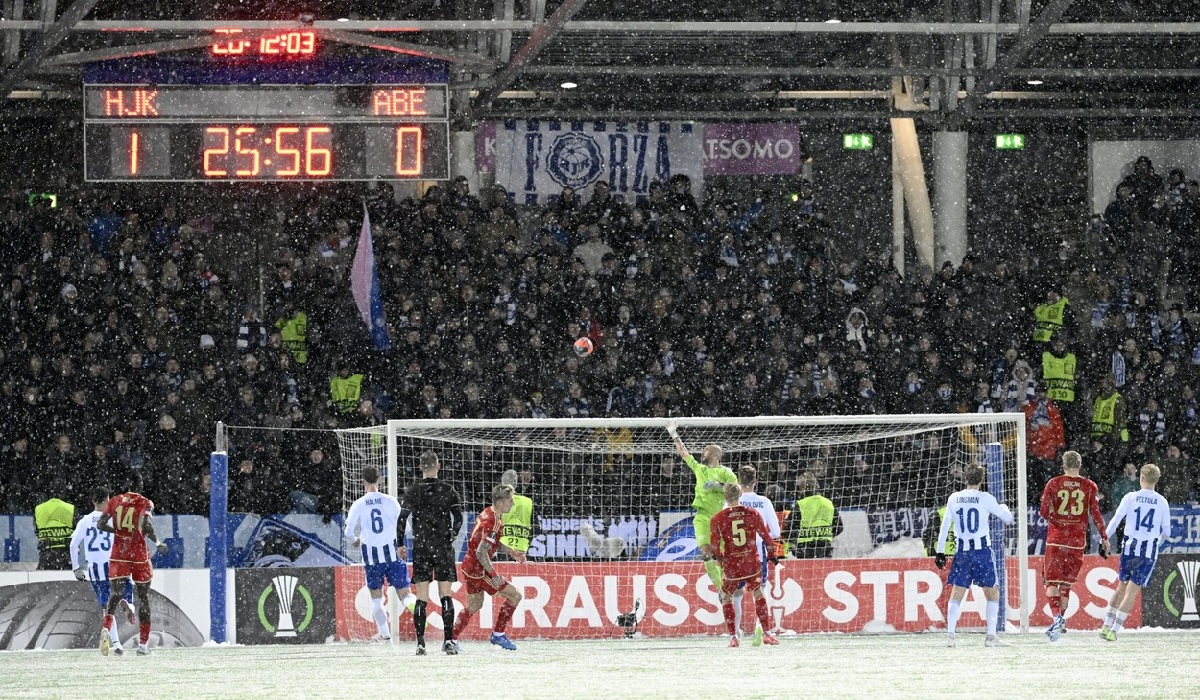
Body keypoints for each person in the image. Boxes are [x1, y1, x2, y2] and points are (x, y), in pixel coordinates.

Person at [935, 465, 1015, 648]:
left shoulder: (954, 498)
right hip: (981, 552)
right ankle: (991, 637)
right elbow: (1008, 519)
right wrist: (1003, 506)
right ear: (981, 480)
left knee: (957, 592)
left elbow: (945, 526)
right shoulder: (986, 498)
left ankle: (950, 636)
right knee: (992, 593)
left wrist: (940, 551)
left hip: (962, 552)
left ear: (965, 479)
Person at [1039, 450, 1110, 641]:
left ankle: (1057, 619)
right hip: (1077, 542)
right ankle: (1059, 624)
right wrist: (1104, 537)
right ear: (1079, 465)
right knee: (1065, 586)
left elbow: (1044, 512)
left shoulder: (1054, 483)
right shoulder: (1089, 486)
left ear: (1063, 465)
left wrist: (1058, 519)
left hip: (1056, 540)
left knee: (1052, 583)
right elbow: (1096, 515)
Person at [398, 450, 464, 655]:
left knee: (422, 597)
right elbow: (459, 517)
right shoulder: (448, 489)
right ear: (439, 465)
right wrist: (452, 533)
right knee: (446, 595)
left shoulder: (412, 490)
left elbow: (402, 518)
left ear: (420, 467)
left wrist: (400, 543)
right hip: (443, 546)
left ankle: (420, 644)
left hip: (422, 546)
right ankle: (448, 641)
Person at [96, 472, 168, 656]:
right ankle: (143, 645)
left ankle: (106, 625)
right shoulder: (145, 502)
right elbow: (145, 524)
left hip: (119, 553)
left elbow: (101, 525)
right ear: (140, 484)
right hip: (138, 553)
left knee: (116, 593)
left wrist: (119, 531)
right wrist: (158, 542)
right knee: (143, 597)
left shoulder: (115, 501)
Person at [1100, 463, 1171, 641]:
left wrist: (1104, 539)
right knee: (1132, 591)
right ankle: (1114, 631)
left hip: (1129, 547)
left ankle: (1105, 625)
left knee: (1121, 586)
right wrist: (1157, 542)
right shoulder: (1162, 501)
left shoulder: (1130, 497)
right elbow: (1167, 532)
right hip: (1147, 551)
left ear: (1141, 478)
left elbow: (1116, 520)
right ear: (1157, 480)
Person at [344, 466, 415, 643]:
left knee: (376, 598)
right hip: (392, 553)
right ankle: (415, 608)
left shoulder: (359, 504)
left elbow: (348, 532)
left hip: (372, 557)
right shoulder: (390, 501)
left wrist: (354, 540)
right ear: (379, 480)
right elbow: (406, 528)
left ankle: (385, 636)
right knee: (405, 594)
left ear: (363, 482)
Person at [452, 485, 527, 651]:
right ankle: (498, 634)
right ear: (500, 502)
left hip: (469, 566)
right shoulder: (493, 522)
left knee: (474, 606)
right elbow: (481, 552)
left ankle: (451, 639)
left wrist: (511, 552)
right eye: (510, 500)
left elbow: (488, 544)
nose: (513, 504)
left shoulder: (488, 513)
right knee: (515, 595)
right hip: (479, 570)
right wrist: (493, 575)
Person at [666, 419, 737, 589]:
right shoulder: (700, 469)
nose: (702, 453)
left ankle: (729, 585)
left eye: (706, 451)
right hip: (702, 517)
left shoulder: (726, 472)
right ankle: (722, 589)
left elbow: (737, 491)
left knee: (722, 556)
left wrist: (718, 486)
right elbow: (684, 454)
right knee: (706, 554)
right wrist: (674, 435)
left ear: (715, 455)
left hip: (721, 518)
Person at [710, 483, 779, 647]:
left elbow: (714, 546)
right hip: (751, 563)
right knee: (758, 592)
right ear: (740, 494)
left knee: (727, 596)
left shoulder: (717, 518)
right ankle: (767, 634)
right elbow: (767, 537)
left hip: (732, 565)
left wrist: (720, 560)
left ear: (724, 497)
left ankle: (733, 637)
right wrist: (772, 555)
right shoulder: (752, 513)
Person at [70, 487, 136, 655]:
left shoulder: (84, 521)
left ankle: (117, 645)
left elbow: (73, 545)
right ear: (108, 500)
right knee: (125, 592)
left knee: (106, 608)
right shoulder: (113, 518)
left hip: (95, 568)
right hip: (114, 564)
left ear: (93, 501)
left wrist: (76, 567)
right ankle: (127, 603)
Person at [735, 465, 781, 645]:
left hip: (736, 554)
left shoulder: (732, 501)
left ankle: (736, 633)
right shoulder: (764, 502)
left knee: (736, 592)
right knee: (760, 590)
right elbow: (776, 532)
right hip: (757, 553)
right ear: (755, 482)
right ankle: (761, 628)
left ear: (739, 481)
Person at [789, 472, 842, 559]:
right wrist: (826, 534)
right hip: (825, 551)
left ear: (802, 488)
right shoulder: (828, 503)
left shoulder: (800, 505)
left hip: (805, 551)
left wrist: (794, 543)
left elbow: (789, 529)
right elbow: (839, 527)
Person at [34, 483, 75, 570]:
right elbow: (76, 531)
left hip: (46, 555)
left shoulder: (39, 509)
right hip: (66, 556)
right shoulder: (71, 508)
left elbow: (37, 530)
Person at [499, 469, 534, 558]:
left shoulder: (498, 502)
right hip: (522, 549)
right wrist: (526, 542)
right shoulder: (527, 501)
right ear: (516, 483)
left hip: (503, 549)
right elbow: (536, 527)